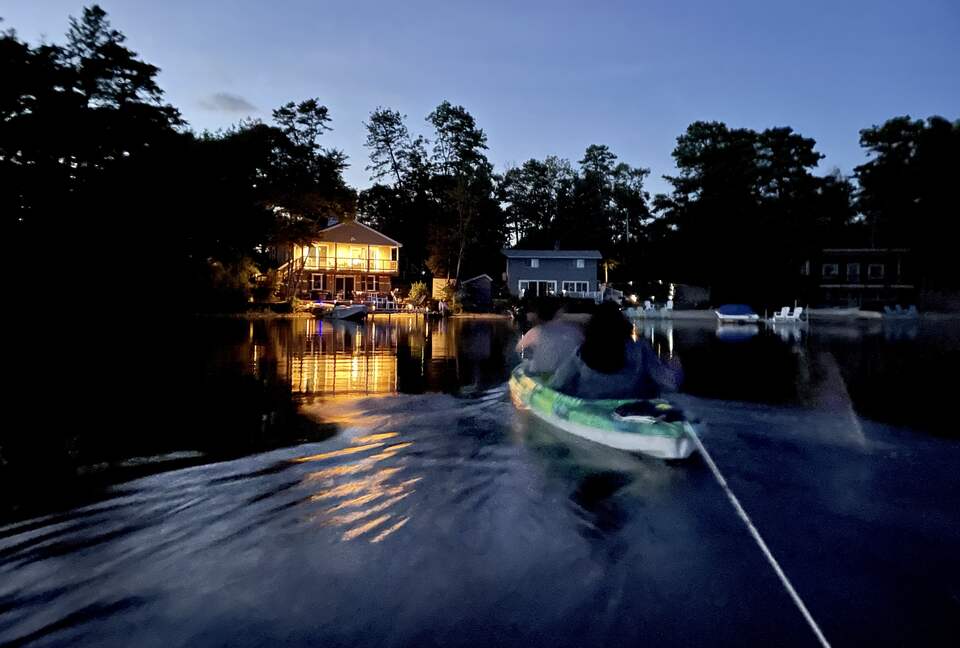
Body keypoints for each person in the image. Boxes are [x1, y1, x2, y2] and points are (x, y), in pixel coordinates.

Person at [548, 301, 681, 399]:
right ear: (623, 324)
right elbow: (668, 383)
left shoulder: (583, 351)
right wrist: (675, 366)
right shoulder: (640, 348)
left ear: (593, 326)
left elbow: (558, 383)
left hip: (590, 405)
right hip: (630, 405)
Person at [516, 298, 584, 374]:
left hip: (542, 373)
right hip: (566, 374)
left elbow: (519, 348)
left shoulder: (536, 331)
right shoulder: (574, 331)